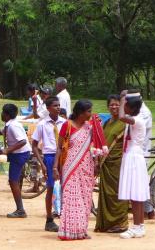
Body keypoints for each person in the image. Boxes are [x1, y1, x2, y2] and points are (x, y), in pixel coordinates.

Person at [53, 100, 108, 240]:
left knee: (85, 198)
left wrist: (96, 163)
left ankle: (81, 230)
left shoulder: (90, 127)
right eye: (88, 111)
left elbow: (95, 147)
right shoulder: (68, 125)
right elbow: (59, 147)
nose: (91, 114)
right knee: (71, 198)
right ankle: (69, 231)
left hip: (86, 167)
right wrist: (55, 167)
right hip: (70, 166)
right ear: (80, 112)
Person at [0, 104, 32, 218]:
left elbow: (22, 141)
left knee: (13, 181)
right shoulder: (9, 125)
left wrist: (7, 149)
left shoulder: (13, 126)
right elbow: (1, 132)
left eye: (2, 112)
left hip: (20, 155)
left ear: (6, 115)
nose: (1, 114)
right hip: (16, 153)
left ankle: (20, 210)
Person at [117, 91, 150, 239]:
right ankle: (138, 226)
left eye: (126, 106)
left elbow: (121, 117)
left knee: (136, 194)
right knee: (135, 194)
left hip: (134, 156)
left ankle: (138, 226)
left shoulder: (138, 120)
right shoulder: (135, 118)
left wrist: (122, 98)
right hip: (131, 155)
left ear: (131, 108)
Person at [94, 94, 129, 233]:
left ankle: (121, 223)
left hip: (118, 162)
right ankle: (108, 223)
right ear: (108, 107)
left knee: (118, 192)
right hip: (106, 164)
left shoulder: (125, 122)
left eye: (116, 104)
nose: (114, 107)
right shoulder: (106, 123)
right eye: (111, 105)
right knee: (107, 194)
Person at [31, 96, 65, 232]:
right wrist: (43, 164)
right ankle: (49, 219)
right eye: (55, 105)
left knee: (65, 186)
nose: (58, 108)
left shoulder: (65, 122)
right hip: (50, 156)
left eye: (59, 105)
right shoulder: (42, 124)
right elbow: (34, 145)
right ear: (48, 108)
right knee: (50, 188)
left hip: (64, 156)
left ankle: (66, 217)